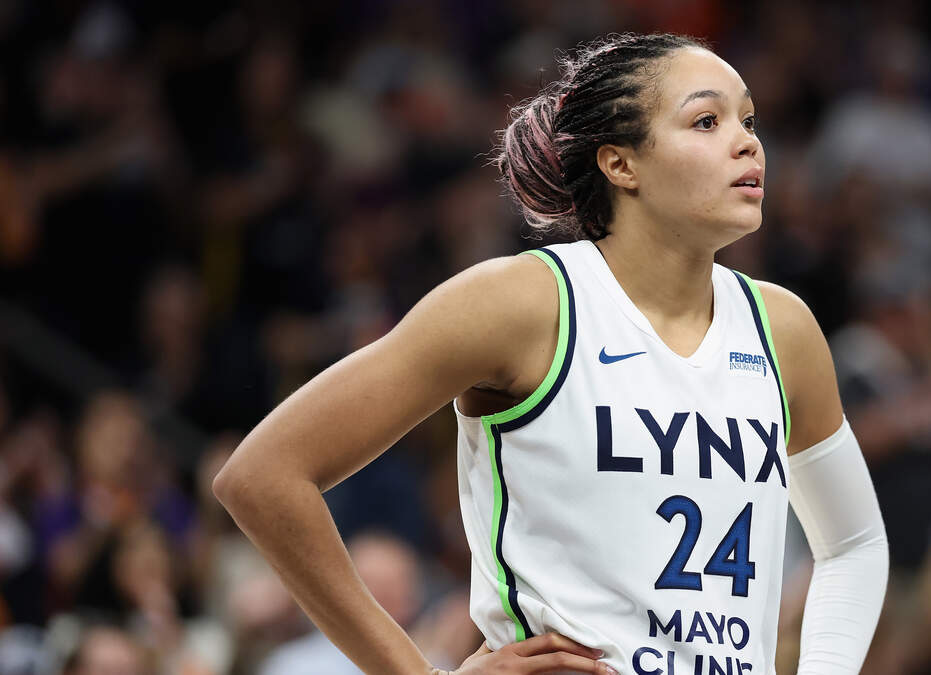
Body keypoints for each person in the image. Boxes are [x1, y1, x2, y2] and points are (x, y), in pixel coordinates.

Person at [214, 32, 888, 675]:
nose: (747, 142)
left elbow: (854, 542)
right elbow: (264, 475)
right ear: (620, 164)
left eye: (749, 120)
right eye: (707, 121)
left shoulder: (782, 329)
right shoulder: (524, 302)